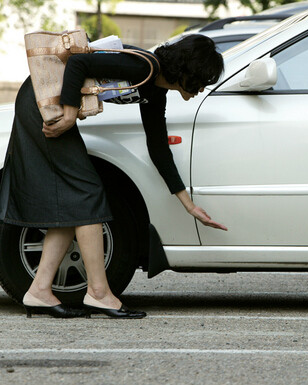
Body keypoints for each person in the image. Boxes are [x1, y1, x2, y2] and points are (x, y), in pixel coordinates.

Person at [0, 34, 227, 319]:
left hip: (50, 101)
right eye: (202, 79)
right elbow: (79, 63)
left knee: (78, 202)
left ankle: (40, 290)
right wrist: (70, 113)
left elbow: (158, 148)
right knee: (88, 193)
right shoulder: (146, 68)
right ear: (187, 71)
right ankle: (98, 293)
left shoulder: (155, 89)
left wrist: (188, 204)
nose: (202, 87)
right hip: (42, 99)